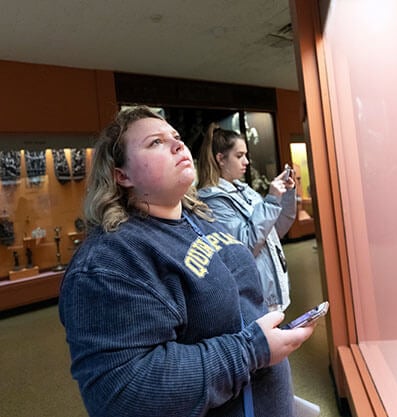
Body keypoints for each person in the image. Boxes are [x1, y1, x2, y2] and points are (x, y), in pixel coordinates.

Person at [58, 106, 314, 417]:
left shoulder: (198, 217)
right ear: (121, 175)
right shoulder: (109, 261)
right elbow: (124, 393)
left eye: (176, 137)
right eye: (156, 142)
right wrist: (252, 351)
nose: (179, 145)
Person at [196, 124, 296, 312]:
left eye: (245, 155)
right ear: (221, 159)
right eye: (239, 155)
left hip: (274, 292)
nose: (247, 162)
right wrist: (272, 200)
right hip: (255, 300)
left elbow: (276, 231)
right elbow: (247, 246)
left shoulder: (245, 191)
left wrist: (287, 194)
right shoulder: (212, 200)